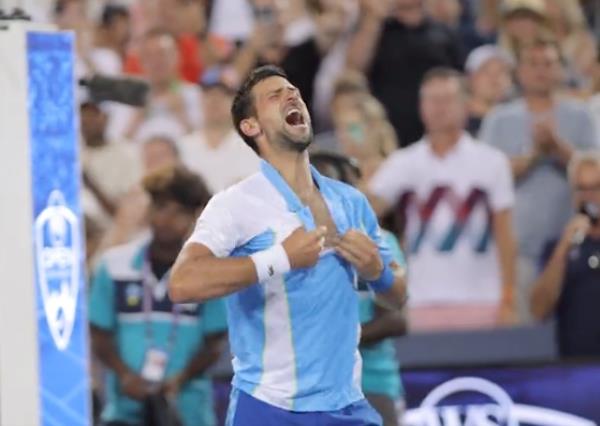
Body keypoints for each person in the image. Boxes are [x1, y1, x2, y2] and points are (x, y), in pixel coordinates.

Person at [169, 65, 407, 425]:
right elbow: (183, 282)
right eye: (275, 95)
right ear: (251, 126)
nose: (292, 96)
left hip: (347, 405)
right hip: (269, 408)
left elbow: (397, 296)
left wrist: (377, 272)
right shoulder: (236, 203)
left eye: (293, 90)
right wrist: (279, 258)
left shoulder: (351, 201)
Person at [368, 67, 517, 332]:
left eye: (447, 99)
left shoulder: (492, 162)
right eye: (431, 100)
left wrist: (508, 296)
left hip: (482, 298)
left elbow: (505, 234)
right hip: (421, 298)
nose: (439, 108)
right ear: (421, 106)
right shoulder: (404, 162)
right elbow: (365, 209)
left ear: (466, 104)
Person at [89, 165, 227, 426]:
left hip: (189, 412)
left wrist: (180, 379)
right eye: (161, 207)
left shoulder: (207, 270)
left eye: (178, 212)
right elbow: (99, 334)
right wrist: (125, 375)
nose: (166, 219)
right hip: (123, 412)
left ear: (194, 217)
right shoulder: (114, 265)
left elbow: (214, 343)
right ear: (149, 210)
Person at [480, 37, 599, 322]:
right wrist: (533, 157)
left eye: (548, 63)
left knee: (577, 330)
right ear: (518, 72)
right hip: (517, 251)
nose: (541, 71)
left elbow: (594, 171)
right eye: (533, 64)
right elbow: (484, 177)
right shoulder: (499, 119)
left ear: (560, 70)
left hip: (575, 248)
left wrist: (558, 149)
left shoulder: (581, 116)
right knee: (522, 341)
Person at [310, 151, 407, 426]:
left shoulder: (380, 241)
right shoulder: (294, 247)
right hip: (308, 389)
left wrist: (332, 342)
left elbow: (395, 319)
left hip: (371, 383)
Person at [347, 0, 464, 146]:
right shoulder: (376, 31)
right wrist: (373, 18)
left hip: (437, 135)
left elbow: (460, 83)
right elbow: (353, 70)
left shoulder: (444, 33)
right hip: (389, 135)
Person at [530, 152, 600, 358]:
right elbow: (539, 310)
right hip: (575, 366)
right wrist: (563, 248)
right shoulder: (557, 247)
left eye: (596, 187)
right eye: (581, 189)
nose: (589, 196)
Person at [108, 29, 203, 143]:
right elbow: (115, 147)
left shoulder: (194, 94)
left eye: (162, 54)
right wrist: (137, 117)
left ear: (177, 57)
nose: (157, 61)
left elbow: (203, 147)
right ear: (141, 61)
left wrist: (182, 115)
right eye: (149, 55)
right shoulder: (127, 96)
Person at [179, 66, 260, 194]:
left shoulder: (252, 145)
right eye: (208, 95)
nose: (214, 100)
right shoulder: (183, 146)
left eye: (223, 95)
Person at [80, 101, 141, 229]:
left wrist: (90, 183)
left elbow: (125, 212)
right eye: (83, 115)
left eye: (93, 115)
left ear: (105, 118)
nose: (87, 121)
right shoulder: (72, 155)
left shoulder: (126, 153)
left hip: (111, 230)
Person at [465, 45, 514, 135]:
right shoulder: (456, 122)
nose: (495, 78)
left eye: (502, 71)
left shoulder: (515, 122)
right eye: (486, 71)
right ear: (470, 78)